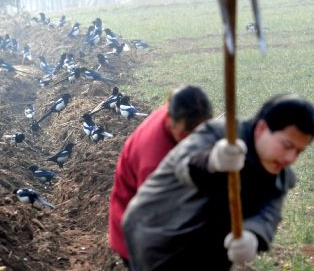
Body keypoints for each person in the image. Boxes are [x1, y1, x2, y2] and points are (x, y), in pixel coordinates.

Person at [122, 94, 314, 271]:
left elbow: (268, 214)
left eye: (299, 151)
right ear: (262, 129)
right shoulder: (218, 134)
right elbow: (182, 164)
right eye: (287, 146)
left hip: (209, 248)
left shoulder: (281, 177)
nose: (291, 158)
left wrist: (253, 236)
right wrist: (212, 160)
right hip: (159, 235)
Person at [108, 85, 213, 267]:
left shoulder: (180, 110)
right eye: (185, 135)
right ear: (171, 120)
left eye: (198, 134)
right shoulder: (154, 161)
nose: (192, 142)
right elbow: (157, 218)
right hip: (139, 236)